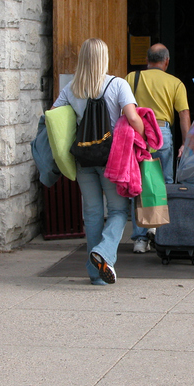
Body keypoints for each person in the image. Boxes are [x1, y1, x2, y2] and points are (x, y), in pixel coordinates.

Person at [52, 38, 146, 285]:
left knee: (92, 214)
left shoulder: (72, 88)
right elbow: (133, 118)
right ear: (104, 58)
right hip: (112, 159)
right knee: (118, 210)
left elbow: (54, 117)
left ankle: (97, 275)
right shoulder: (118, 85)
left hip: (84, 158)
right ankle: (103, 254)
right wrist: (148, 139)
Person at [124, 43, 191, 253]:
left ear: (147, 60)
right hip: (162, 133)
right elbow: (184, 115)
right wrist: (185, 144)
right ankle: (162, 234)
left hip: (139, 132)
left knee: (140, 184)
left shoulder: (131, 78)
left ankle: (140, 240)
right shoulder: (175, 83)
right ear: (166, 61)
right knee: (165, 183)